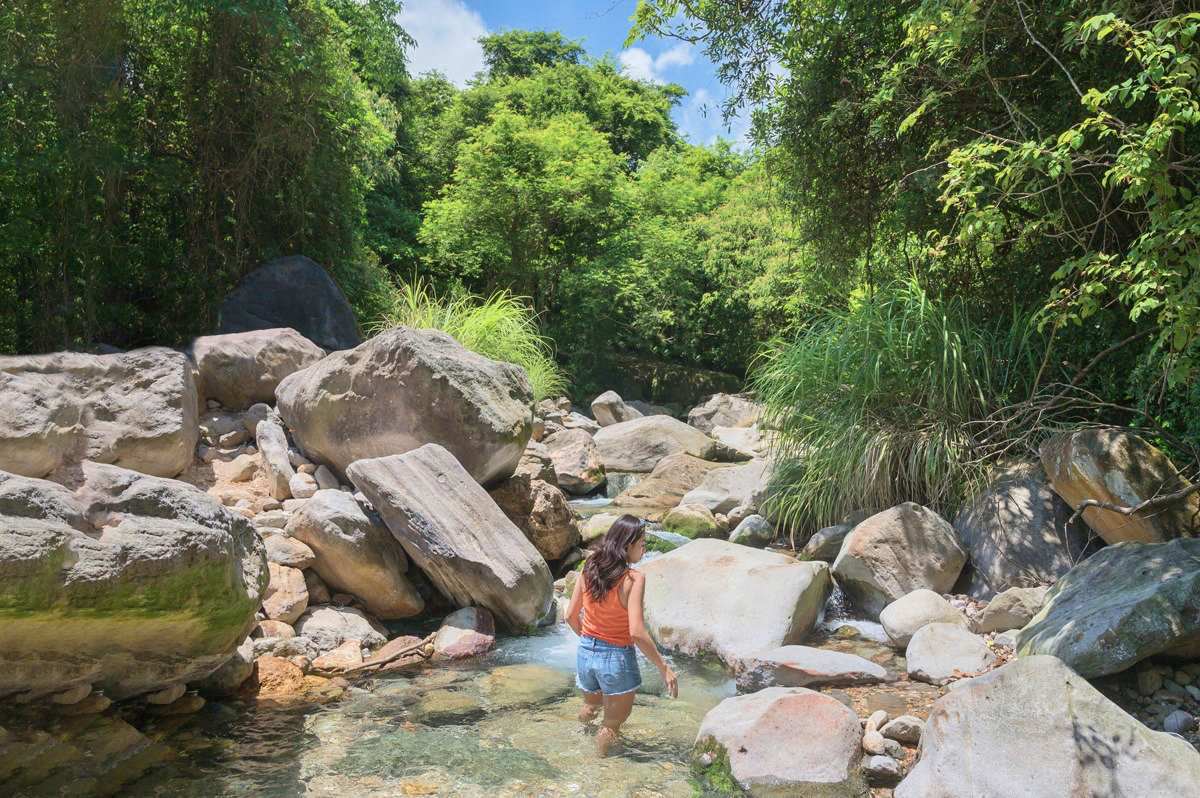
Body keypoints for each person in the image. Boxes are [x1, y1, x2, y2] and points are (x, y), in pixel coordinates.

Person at [565, 514, 678, 756]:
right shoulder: (634, 579)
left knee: (590, 707)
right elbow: (636, 632)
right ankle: (600, 769)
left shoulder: (590, 567)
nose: (644, 549)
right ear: (627, 545)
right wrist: (663, 667)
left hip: (585, 653)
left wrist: (589, 642)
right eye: (642, 544)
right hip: (616, 658)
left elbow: (570, 617)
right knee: (611, 724)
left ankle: (577, 741)